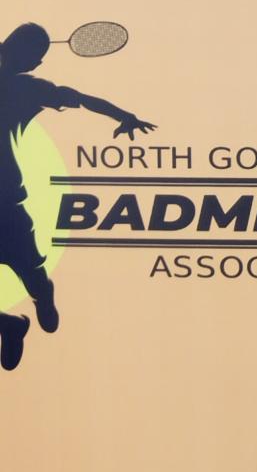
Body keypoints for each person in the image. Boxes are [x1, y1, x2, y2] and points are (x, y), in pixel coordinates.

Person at [0, 22, 154, 371]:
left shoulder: (28, 89)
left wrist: (124, 116)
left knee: (31, 274)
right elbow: (82, 98)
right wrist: (125, 116)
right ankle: (10, 325)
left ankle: (42, 295)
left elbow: (82, 99)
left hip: (6, 204)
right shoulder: (28, 86)